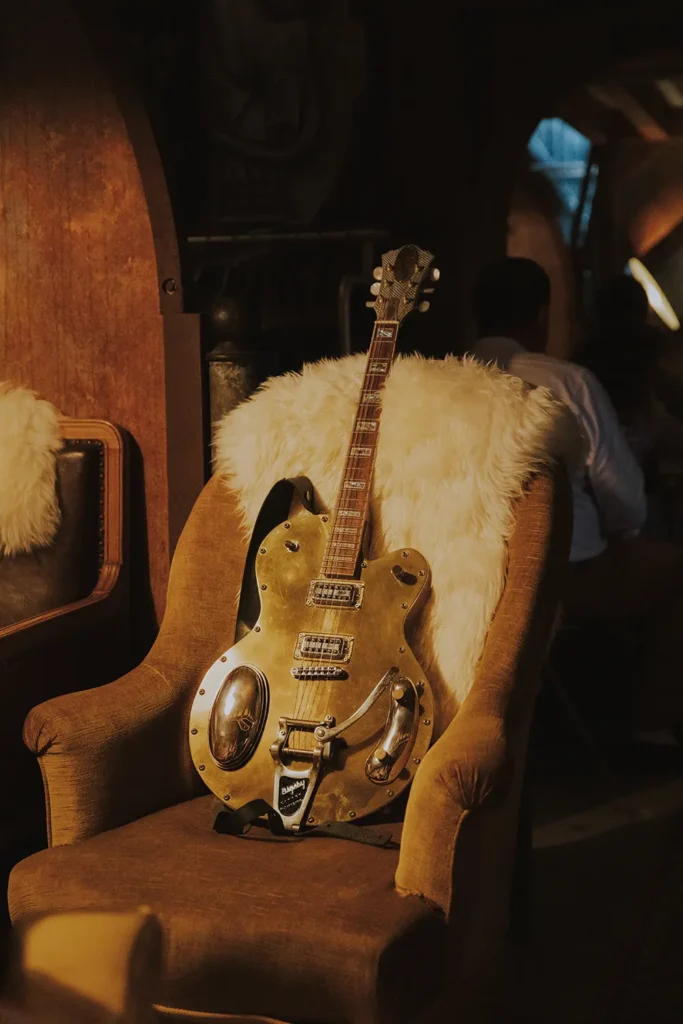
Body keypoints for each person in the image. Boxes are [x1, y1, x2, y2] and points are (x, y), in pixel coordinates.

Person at [471, 256, 683, 751]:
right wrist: (624, 534)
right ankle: (651, 727)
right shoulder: (567, 381)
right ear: (542, 315)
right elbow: (624, 496)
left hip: (469, 571)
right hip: (563, 576)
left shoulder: (438, 379)